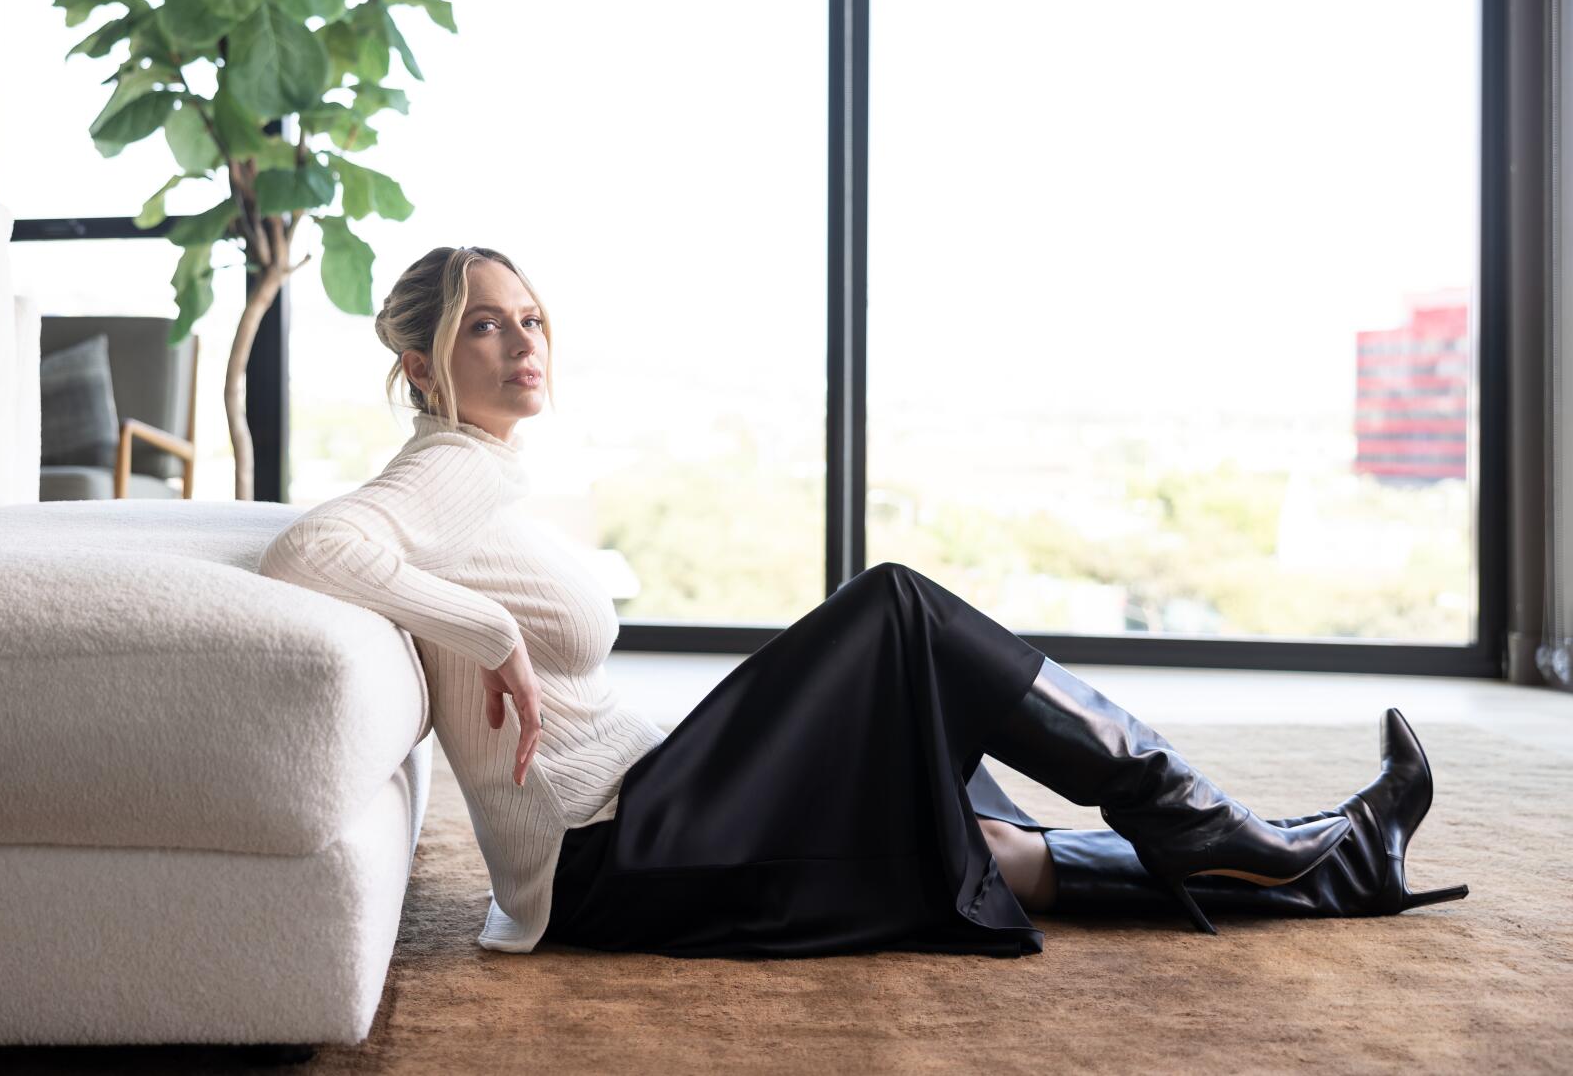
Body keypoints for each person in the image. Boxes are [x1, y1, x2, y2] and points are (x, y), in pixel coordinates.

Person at [256, 245, 1469, 958]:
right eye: (484, 326)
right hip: (610, 847)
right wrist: (490, 630)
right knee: (894, 612)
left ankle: (1313, 859)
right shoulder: (446, 469)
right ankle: (1205, 819)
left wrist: (487, 622)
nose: (523, 342)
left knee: (964, 821)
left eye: (531, 319)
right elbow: (312, 548)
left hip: (644, 809)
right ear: (421, 364)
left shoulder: (485, 473)